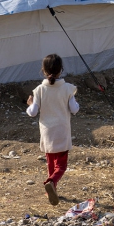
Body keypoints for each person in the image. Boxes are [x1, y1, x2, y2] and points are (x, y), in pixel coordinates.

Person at [26, 54, 80, 206]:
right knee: (61, 165)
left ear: (43, 70)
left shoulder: (39, 90)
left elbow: (33, 113)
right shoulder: (68, 88)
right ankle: (51, 181)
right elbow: (74, 109)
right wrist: (76, 104)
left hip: (47, 132)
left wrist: (30, 103)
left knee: (51, 162)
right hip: (62, 131)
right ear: (61, 70)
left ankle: (51, 189)